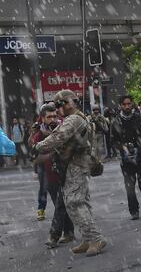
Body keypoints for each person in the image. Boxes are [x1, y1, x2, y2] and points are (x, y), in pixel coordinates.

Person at [33, 90, 107, 257]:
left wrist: (37, 146)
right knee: (81, 202)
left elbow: (57, 138)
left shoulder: (74, 119)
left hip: (76, 165)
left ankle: (96, 238)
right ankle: (88, 238)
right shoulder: (79, 118)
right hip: (77, 165)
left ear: (69, 103)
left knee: (74, 203)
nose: (58, 109)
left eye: (60, 104)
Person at [29, 103, 75, 248]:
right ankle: (67, 232)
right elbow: (36, 158)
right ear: (42, 118)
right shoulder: (39, 134)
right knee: (59, 204)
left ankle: (61, 234)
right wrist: (52, 152)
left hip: (68, 171)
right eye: (49, 117)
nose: (53, 119)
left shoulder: (64, 128)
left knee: (65, 204)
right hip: (52, 174)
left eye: (55, 115)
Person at [111, 96, 141, 220]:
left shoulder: (139, 118)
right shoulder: (116, 121)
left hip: (140, 156)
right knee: (130, 186)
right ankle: (134, 211)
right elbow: (113, 140)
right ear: (120, 105)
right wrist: (122, 148)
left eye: (129, 104)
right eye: (124, 104)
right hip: (126, 159)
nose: (127, 106)